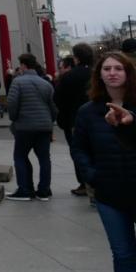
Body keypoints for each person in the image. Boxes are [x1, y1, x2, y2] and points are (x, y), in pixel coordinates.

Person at [70, 51, 136, 272]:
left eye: (118, 68)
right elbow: (79, 147)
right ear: (99, 75)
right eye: (107, 68)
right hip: (110, 192)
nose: (112, 73)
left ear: (128, 73)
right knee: (123, 254)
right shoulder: (88, 112)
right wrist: (92, 175)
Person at [6, 52, 58, 201]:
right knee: (44, 158)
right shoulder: (45, 83)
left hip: (25, 126)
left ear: (23, 65)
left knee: (20, 156)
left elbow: (12, 104)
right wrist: (50, 121)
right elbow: (53, 107)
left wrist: (14, 118)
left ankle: (25, 189)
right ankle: (44, 190)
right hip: (44, 126)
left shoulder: (18, 82)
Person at [54, 42, 95, 196]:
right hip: (96, 118)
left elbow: (57, 98)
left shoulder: (68, 76)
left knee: (78, 152)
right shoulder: (95, 73)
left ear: (76, 58)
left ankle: (84, 182)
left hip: (73, 119)